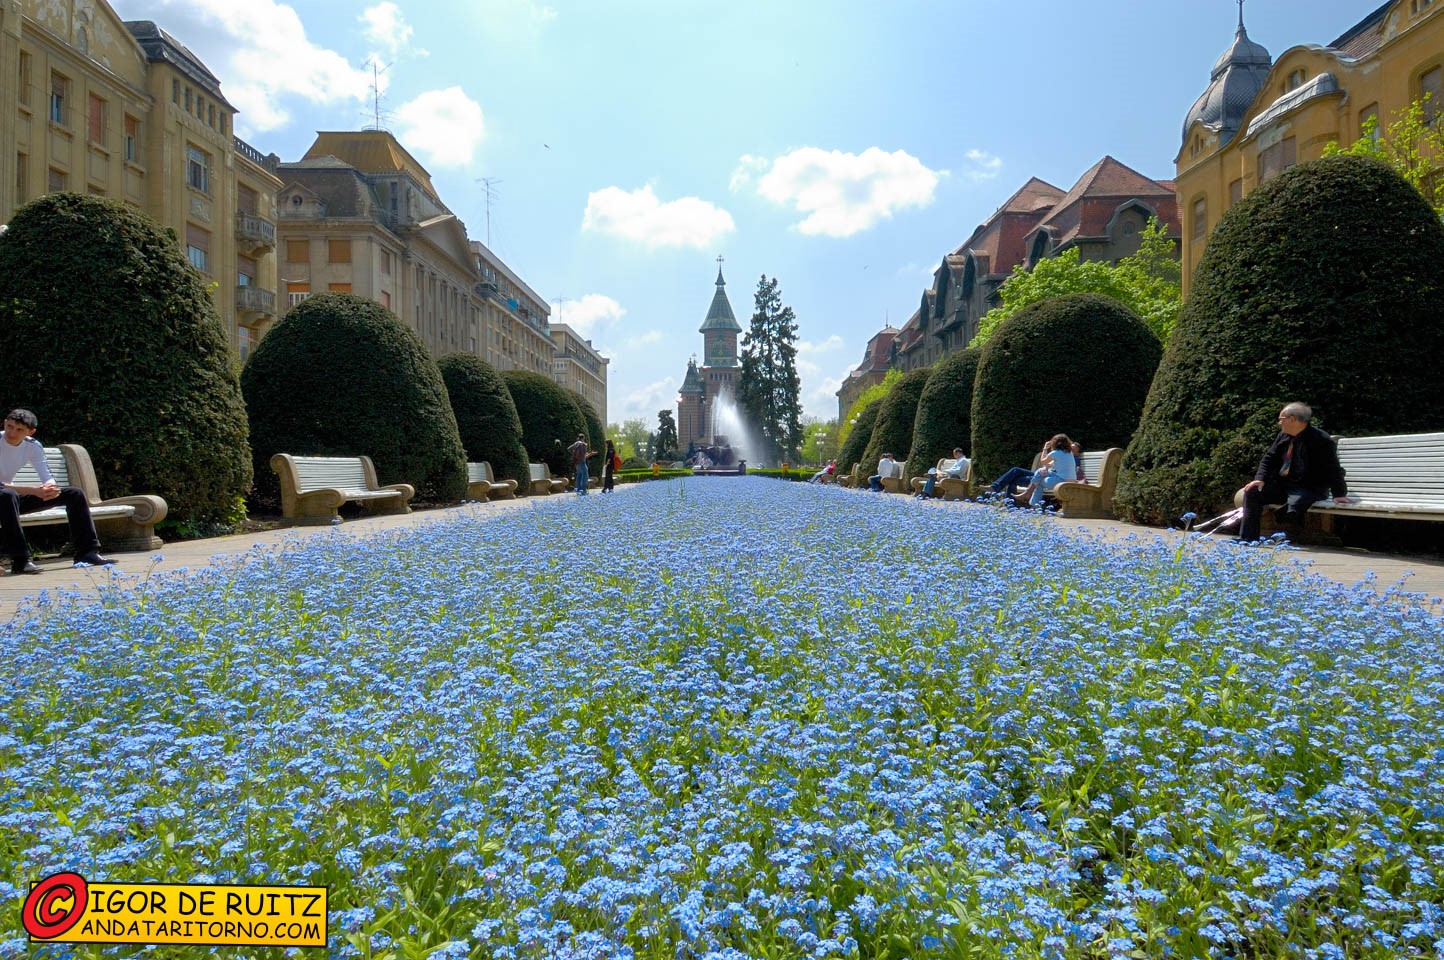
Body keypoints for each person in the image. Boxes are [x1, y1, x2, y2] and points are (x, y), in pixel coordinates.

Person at [0, 408, 115, 574]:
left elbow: (46, 475)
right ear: (4, 423)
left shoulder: (33, 446)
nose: (12, 433)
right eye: (10, 427)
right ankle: (21, 560)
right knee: (8, 495)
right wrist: (34, 490)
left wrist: (50, 488)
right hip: (5, 497)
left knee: (74, 494)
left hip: (9, 501)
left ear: (30, 432)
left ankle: (87, 553)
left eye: (19, 430)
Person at [1239, 402, 1348, 541]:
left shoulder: (1321, 440)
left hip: (1308, 487)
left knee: (1293, 508)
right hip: (1283, 485)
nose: (1279, 423)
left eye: (1281, 419)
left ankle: (1289, 522)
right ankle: (1248, 539)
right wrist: (1260, 479)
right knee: (1253, 491)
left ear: (1292, 419)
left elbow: (1332, 468)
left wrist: (1339, 493)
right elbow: (1269, 458)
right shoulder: (1282, 436)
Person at [1013, 434, 1076, 507]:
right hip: (1070, 481)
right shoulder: (1069, 453)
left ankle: (1030, 497)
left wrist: (1045, 448)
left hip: (1061, 481)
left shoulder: (1055, 453)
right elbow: (1051, 464)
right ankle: (1030, 498)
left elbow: (1043, 461)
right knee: (1040, 474)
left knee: (1039, 481)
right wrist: (1046, 468)